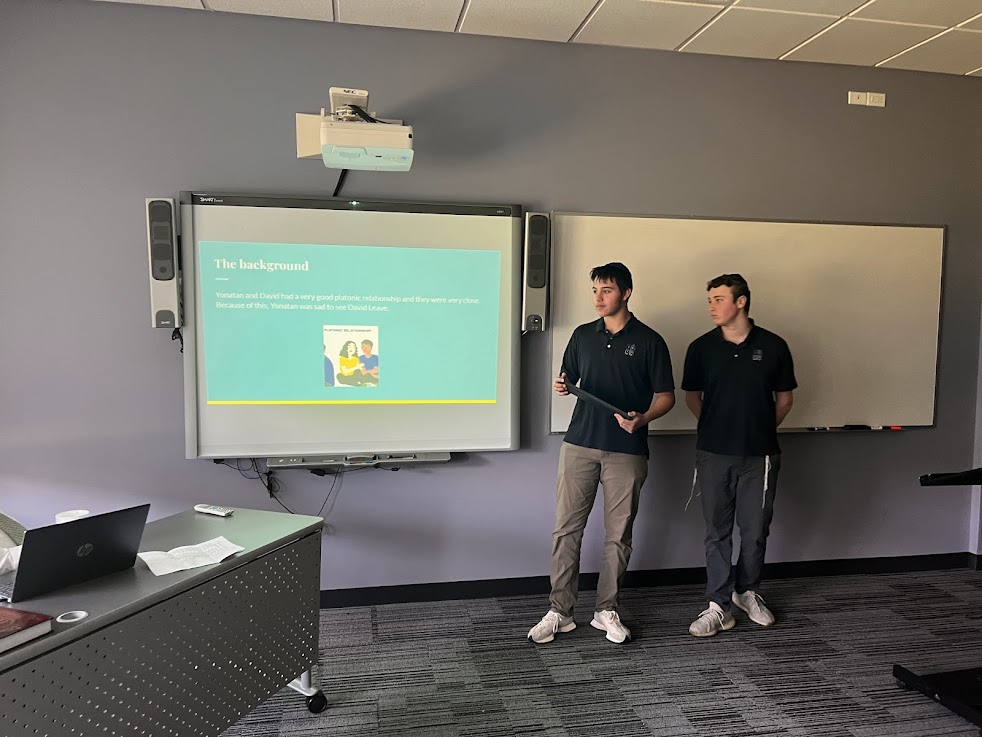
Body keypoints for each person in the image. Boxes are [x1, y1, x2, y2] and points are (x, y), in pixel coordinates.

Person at [528, 262, 675, 645]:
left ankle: (606, 610)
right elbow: (568, 378)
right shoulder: (582, 335)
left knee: (618, 535)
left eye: (606, 290)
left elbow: (666, 397)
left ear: (626, 293)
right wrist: (562, 385)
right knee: (566, 530)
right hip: (579, 444)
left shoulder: (650, 341)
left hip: (627, 450)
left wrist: (643, 419)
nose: (598, 297)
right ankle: (560, 611)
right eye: (595, 290)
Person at [681, 274, 797, 637]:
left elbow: (785, 400)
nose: (712, 307)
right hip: (713, 454)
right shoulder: (701, 348)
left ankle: (747, 591)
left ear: (741, 301)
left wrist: (758, 428)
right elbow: (692, 397)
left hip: (759, 456)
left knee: (755, 529)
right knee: (716, 532)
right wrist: (718, 427)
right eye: (710, 300)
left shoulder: (774, 346)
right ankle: (718, 606)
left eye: (719, 299)